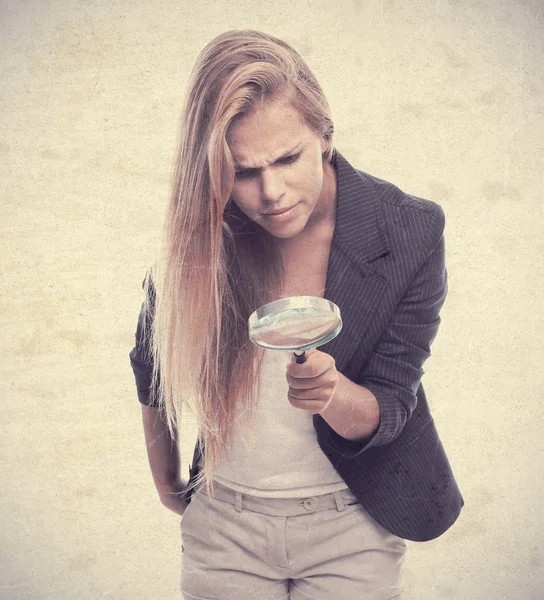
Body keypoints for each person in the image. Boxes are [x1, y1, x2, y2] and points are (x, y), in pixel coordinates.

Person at [129, 29, 464, 600]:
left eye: (288, 158)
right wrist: (167, 480)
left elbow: (391, 404)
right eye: (244, 171)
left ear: (324, 133)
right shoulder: (207, 228)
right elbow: (150, 361)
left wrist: (331, 392)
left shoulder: (409, 229)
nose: (273, 192)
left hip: (353, 523)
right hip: (224, 525)